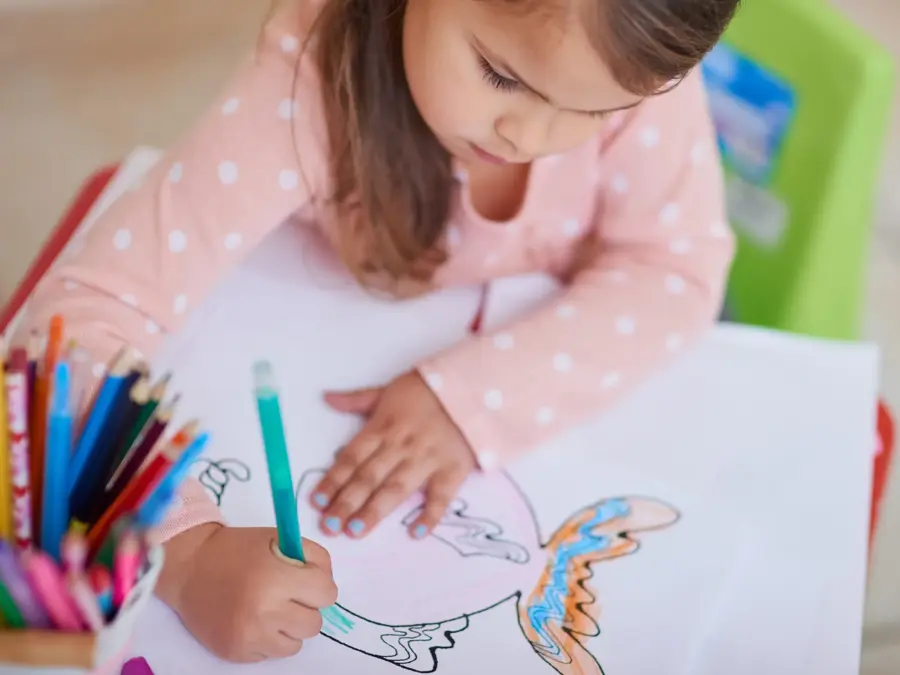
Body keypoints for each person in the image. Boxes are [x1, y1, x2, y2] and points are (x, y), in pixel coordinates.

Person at [15, 0, 740, 662]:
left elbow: (675, 269)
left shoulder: (637, 60)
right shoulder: (306, 80)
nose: (530, 138)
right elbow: (73, 327)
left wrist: (475, 398)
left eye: (595, 112)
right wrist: (182, 550)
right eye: (499, 74)